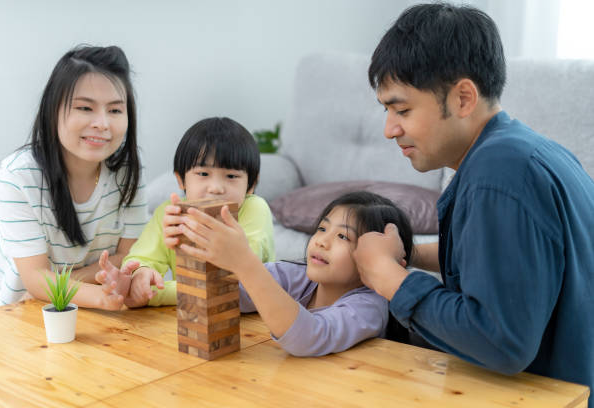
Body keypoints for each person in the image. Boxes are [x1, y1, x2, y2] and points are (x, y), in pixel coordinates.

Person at [355, 2, 594, 399]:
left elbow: (501, 341)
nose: (389, 129)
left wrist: (391, 279)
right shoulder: (530, 152)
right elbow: (504, 264)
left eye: (402, 109)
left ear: (463, 98)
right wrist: (408, 254)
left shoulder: (498, 176)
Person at [0, 45, 147, 310]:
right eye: (85, 108)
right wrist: (100, 296)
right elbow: (35, 279)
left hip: (85, 317)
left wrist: (71, 282)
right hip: (10, 317)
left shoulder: (127, 173)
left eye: (115, 110)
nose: (102, 123)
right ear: (53, 110)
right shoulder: (19, 175)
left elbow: (130, 256)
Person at [178, 191, 411, 356]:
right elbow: (230, 296)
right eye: (322, 228)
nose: (322, 241)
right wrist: (190, 237)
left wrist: (245, 263)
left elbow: (309, 336)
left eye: (343, 237)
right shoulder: (297, 275)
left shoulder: (370, 307)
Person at [99, 117, 275, 307]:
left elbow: (230, 282)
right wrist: (140, 276)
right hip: (188, 319)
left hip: (252, 319)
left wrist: (157, 294)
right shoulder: (170, 213)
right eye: (203, 174)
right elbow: (142, 257)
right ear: (181, 180)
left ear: (251, 184)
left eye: (231, 176)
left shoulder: (255, 209)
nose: (216, 188)